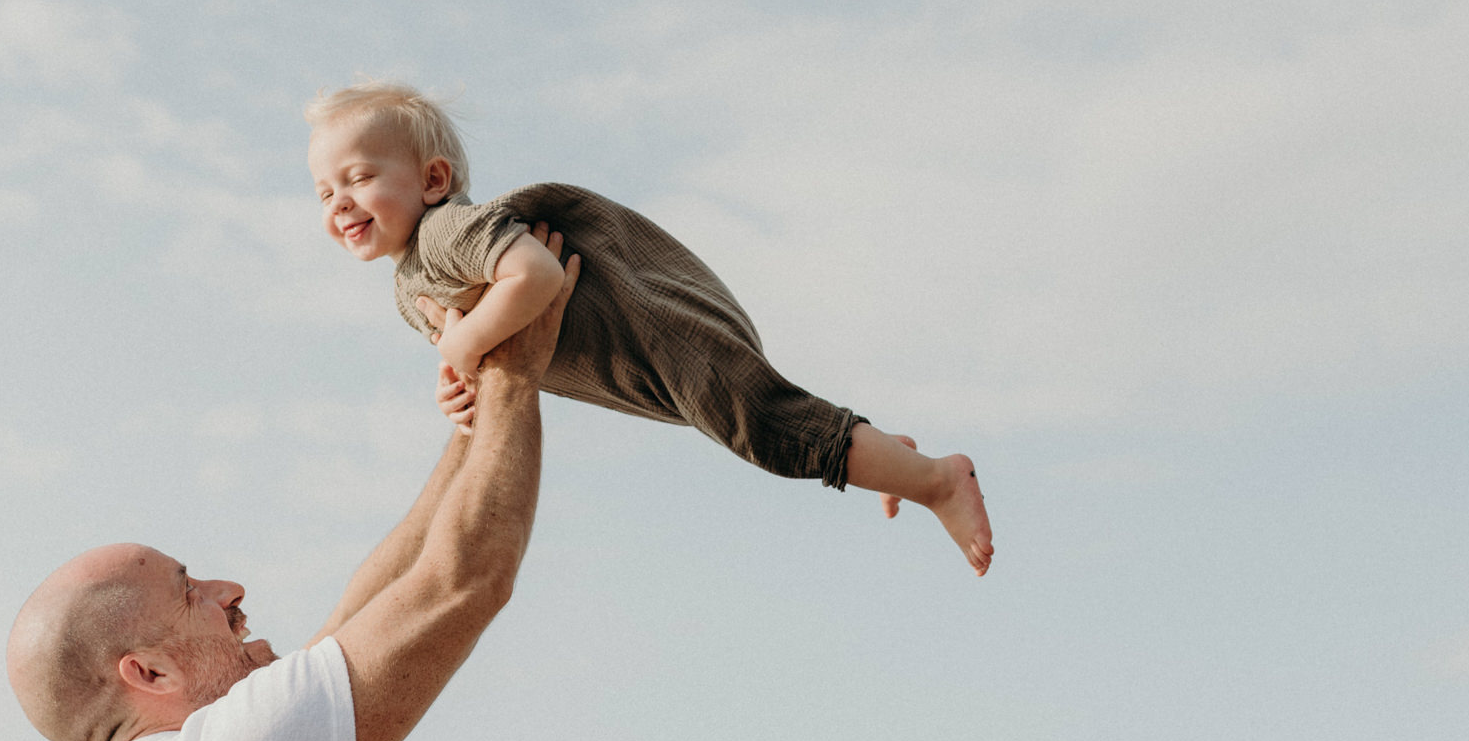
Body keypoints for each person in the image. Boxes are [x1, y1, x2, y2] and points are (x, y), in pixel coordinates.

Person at [4, 230, 580, 741]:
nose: (230, 589)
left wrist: (469, 425)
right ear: (149, 671)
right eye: (190, 592)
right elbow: (463, 579)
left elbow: (363, 614)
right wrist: (516, 359)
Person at [305, 80, 996, 575]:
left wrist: (458, 342)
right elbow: (478, 343)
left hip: (655, 328)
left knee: (764, 426)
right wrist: (456, 383)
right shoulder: (406, 286)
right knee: (758, 426)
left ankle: (936, 478)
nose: (340, 203)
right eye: (324, 192)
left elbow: (536, 278)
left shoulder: (447, 229)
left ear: (432, 179)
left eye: (359, 177)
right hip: (628, 366)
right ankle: (884, 458)